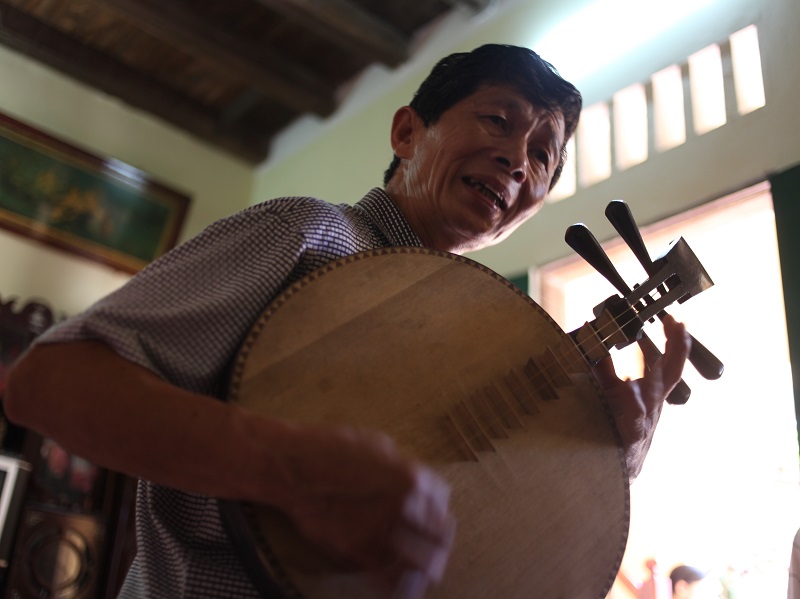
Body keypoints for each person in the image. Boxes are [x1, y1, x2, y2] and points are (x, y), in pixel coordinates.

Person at [3, 44, 691, 598]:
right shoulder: (311, 235)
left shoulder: (474, 336)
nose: (518, 158)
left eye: (543, 153)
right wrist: (293, 470)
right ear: (407, 131)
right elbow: (51, 377)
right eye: (498, 120)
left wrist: (613, 465)